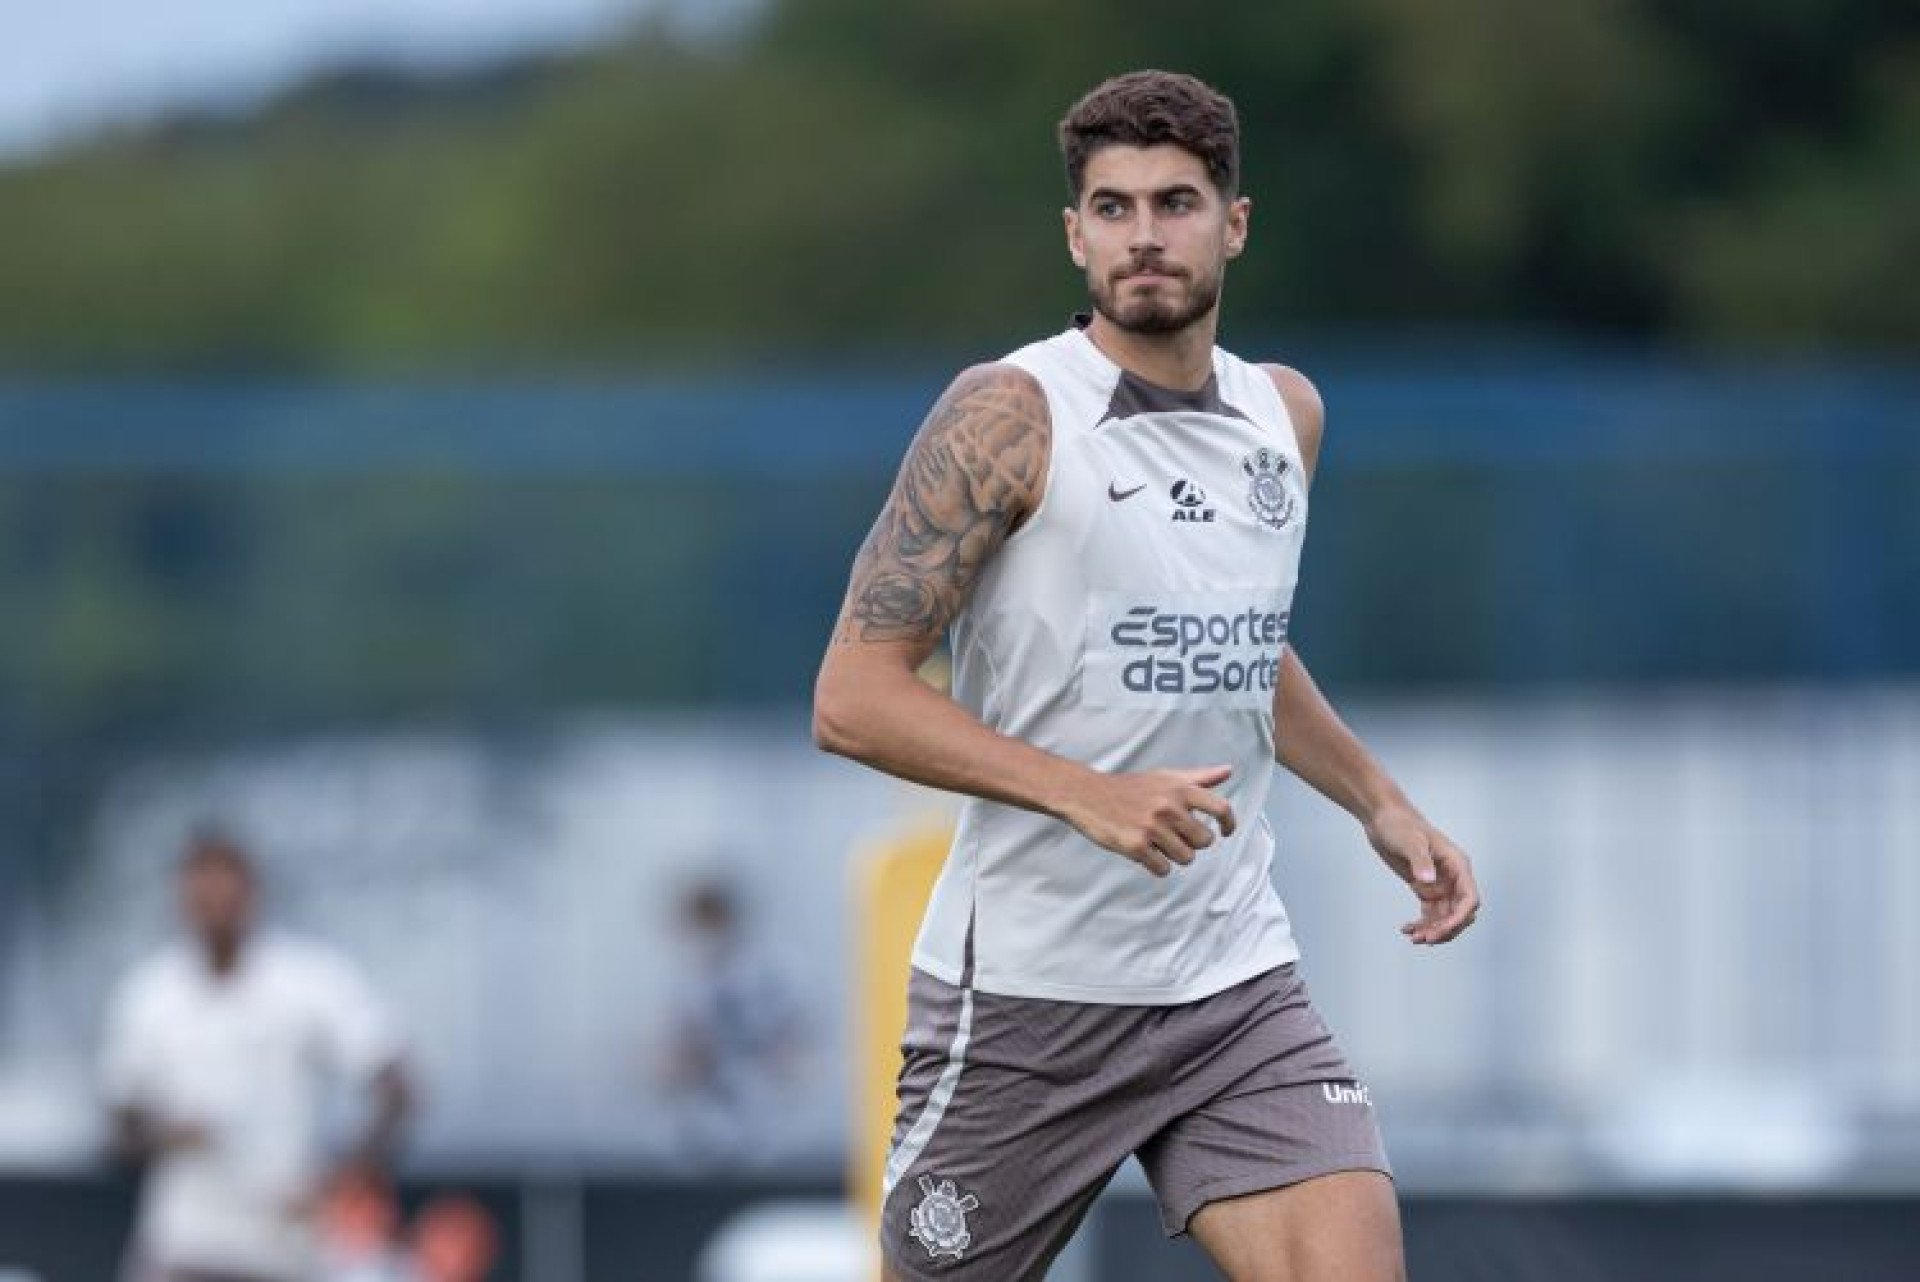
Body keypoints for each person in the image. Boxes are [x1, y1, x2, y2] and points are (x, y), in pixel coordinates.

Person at [813, 70, 1481, 1282]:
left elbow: (1237, 637)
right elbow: (852, 696)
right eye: (1112, 209)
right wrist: (1087, 790)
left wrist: (1379, 799)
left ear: (1234, 223)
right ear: (1075, 236)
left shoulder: (1287, 416)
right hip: (1026, 1000)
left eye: (1175, 203)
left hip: (1231, 983)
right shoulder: (1008, 416)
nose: (1144, 236)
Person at [101, 828, 414, 1282]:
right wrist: (168, 1135)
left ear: (252, 891)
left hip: (285, 1249)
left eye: (225, 887)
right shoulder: (150, 993)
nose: (213, 904)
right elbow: (119, 1130)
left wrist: (347, 1177)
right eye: (201, 890)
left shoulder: (308, 981)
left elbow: (398, 1088)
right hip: (184, 1249)